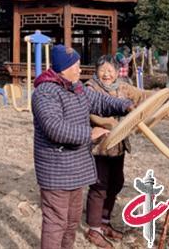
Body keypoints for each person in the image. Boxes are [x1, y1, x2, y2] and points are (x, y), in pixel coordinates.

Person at [32, 44, 134, 249]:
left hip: (75, 168)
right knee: (56, 222)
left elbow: (99, 101)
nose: (80, 70)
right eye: (76, 66)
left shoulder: (77, 88)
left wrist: (125, 105)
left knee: (71, 221)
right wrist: (89, 133)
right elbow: (55, 128)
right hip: (56, 169)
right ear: (64, 68)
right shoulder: (45, 93)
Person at [85, 55, 153, 248]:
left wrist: (163, 94)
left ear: (117, 72)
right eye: (102, 70)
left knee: (116, 183)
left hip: (119, 144)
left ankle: (105, 222)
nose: (106, 74)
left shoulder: (123, 87)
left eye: (110, 70)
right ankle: (94, 229)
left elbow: (142, 95)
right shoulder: (91, 88)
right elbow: (90, 112)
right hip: (100, 145)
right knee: (99, 185)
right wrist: (107, 122)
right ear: (96, 71)